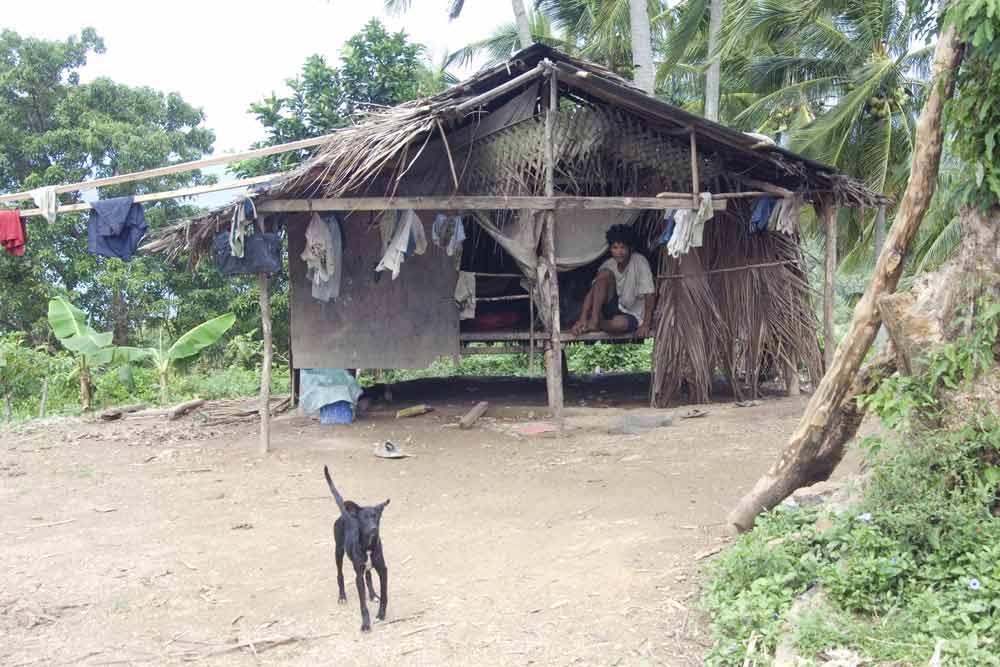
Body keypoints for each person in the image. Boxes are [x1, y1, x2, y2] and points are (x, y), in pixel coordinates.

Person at [570, 224, 657, 338]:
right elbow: (592, 292)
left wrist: (646, 324)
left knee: (618, 324)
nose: (619, 252)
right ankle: (594, 320)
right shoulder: (608, 264)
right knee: (604, 274)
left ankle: (598, 324)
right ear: (610, 249)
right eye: (615, 248)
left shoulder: (639, 261)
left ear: (630, 248)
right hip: (612, 307)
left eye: (623, 247)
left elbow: (650, 294)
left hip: (632, 313)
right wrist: (582, 318)